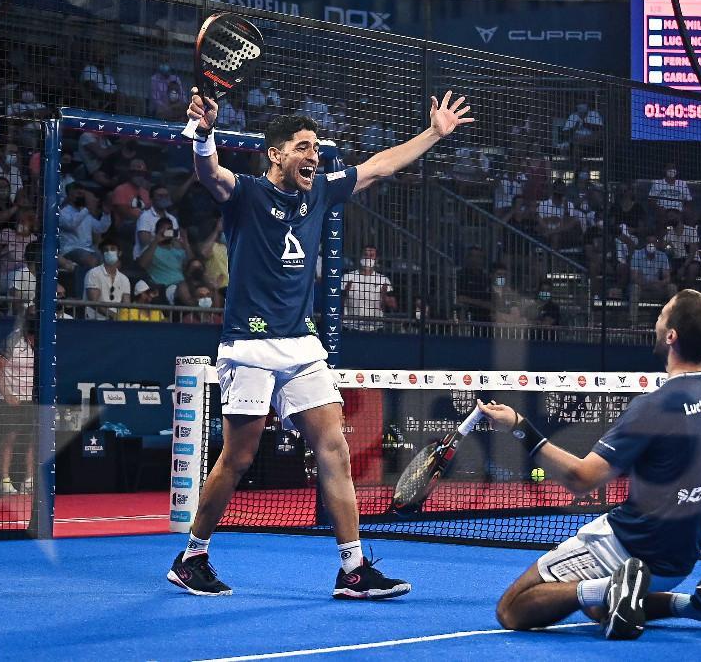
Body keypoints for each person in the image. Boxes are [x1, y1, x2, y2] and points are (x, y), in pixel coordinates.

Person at [166, 86, 473, 599]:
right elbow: (210, 175)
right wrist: (204, 135)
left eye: (316, 147)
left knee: (334, 448)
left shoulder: (321, 191)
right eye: (304, 146)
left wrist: (433, 134)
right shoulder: (245, 193)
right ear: (277, 153)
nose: (314, 155)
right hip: (249, 346)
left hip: (302, 346)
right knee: (238, 458)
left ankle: (353, 569)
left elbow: (379, 167)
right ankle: (193, 554)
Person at [479, 290, 701, 639]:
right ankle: (693, 605)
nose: (656, 321)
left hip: (628, 546)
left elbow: (581, 479)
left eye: (662, 315)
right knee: (601, 609)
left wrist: (520, 427)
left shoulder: (655, 405)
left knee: (512, 610)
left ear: (671, 336)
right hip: (678, 561)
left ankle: (611, 587)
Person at [0, 312, 36, 494]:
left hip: (29, 399)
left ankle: (29, 480)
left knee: (31, 440)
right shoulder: (12, 340)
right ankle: (5, 480)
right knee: (9, 437)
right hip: (7, 399)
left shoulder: (44, 343)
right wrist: (7, 394)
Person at [341, 245, 395, 331]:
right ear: (361, 257)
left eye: (371, 256)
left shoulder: (383, 280)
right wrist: (346, 291)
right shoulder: (348, 277)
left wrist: (384, 295)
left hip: (375, 328)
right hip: (351, 327)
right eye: (365, 254)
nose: (367, 258)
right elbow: (338, 302)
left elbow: (393, 305)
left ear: (376, 260)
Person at [84, 241, 131, 320]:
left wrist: (124, 317)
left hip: (116, 324)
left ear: (119, 253)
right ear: (102, 254)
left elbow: (126, 305)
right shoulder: (94, 273)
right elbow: (94, 302)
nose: (109, 252)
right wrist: (114, 316)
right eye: (106, 250)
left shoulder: (124, 279)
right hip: (95, 321)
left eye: (112, 249)